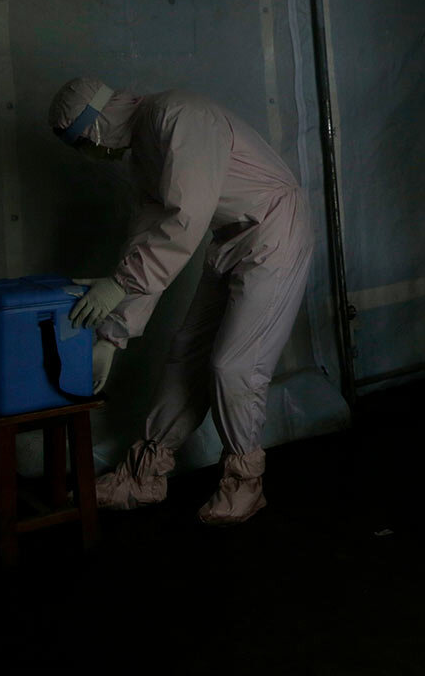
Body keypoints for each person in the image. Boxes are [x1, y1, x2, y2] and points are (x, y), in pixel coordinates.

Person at [48, 77, 314, 524]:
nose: (92, 155)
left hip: (274, 231)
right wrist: (112, 337)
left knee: (234, 366)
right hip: (231, 238)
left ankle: (244, 482)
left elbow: (184, 221)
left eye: (83, 144)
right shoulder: (144, 157)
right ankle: (143, 473)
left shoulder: (178, 117)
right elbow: (145, 246)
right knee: (185, 354)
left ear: (94, 127)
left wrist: (119, 286)